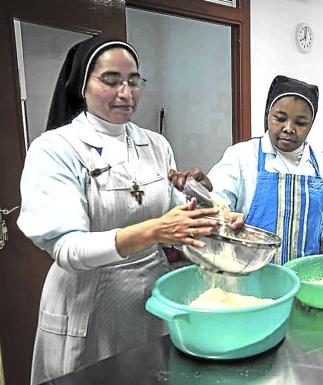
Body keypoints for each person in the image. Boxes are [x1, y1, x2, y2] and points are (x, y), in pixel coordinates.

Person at [17, 36, 241, 384]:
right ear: (82, 86)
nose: (126, 92)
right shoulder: (54, 149)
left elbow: (176, 217)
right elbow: (67, 249)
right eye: (111, 80)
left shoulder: (155, 144)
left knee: (149, 374)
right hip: (87, 301)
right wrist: (154, 231)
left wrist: (214, 219)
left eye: (134, 81)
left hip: (150, 296)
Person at [207, 75, 323, 263]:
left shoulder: (322, 166)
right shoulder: (241, 156)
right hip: (250, 276)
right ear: (268, 115)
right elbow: (214, 204)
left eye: (300, 123)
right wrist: (220, 214)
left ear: (311, 124)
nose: (289, 128)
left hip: (305, 277)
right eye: (280, 118)